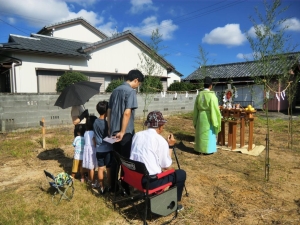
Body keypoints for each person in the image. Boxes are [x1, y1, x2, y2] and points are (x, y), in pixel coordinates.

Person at [130, 111, 186, 212]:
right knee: (181, 174)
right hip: (150, 182)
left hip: (134, 178)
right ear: (160, 126)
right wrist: (170, 146)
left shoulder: (137, 135)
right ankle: (172, 204)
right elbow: (166, 166)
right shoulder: (160, 141)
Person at [107, 69, 144, 194]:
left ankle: (113, 187)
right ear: (136, 80)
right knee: (126, 161)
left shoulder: (115, 91)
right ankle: (125, 187)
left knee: (114, 160)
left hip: (113, 132)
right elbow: (127, 112)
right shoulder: (130, 92)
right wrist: (123, 131)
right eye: (138, 84)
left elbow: (109, 111)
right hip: (125, 133)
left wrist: (109, 129)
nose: (137, 86)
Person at [193, 76, 221, 154]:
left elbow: (195, 108)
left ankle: (199, 149)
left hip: (200, 116)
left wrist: (195, 118)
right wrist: (217, 118)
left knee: (200, 133)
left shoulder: (199, 95)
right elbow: (215, 108)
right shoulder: (212, 95)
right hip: (209, 116)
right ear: (211, 85)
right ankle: (208, 150)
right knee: (209, 133)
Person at [93, 101, 113, 194]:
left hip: (99, 149)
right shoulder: (106, 123)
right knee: (108, 168)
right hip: (108, 149)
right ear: (106, 111)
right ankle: (109, 186)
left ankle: (101, 187)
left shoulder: (95, 122)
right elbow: (109, 136)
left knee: (100, 168)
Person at [82, 115, 97, 185]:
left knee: (88, 166)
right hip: (92, 151)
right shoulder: (93, 133)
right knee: (92, 167)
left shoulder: (85, 132)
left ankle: (89, 179)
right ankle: (93, 182)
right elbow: (94, 143)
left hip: (86, 150)